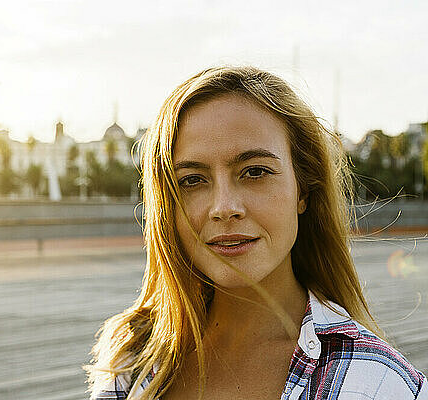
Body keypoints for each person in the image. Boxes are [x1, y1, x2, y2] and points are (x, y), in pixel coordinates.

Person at [84, 66, 427, 399]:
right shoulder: (132, 356)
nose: (224, 207)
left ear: (303, 191)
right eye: (192, 180)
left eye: (255, 172)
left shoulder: (379, 383)